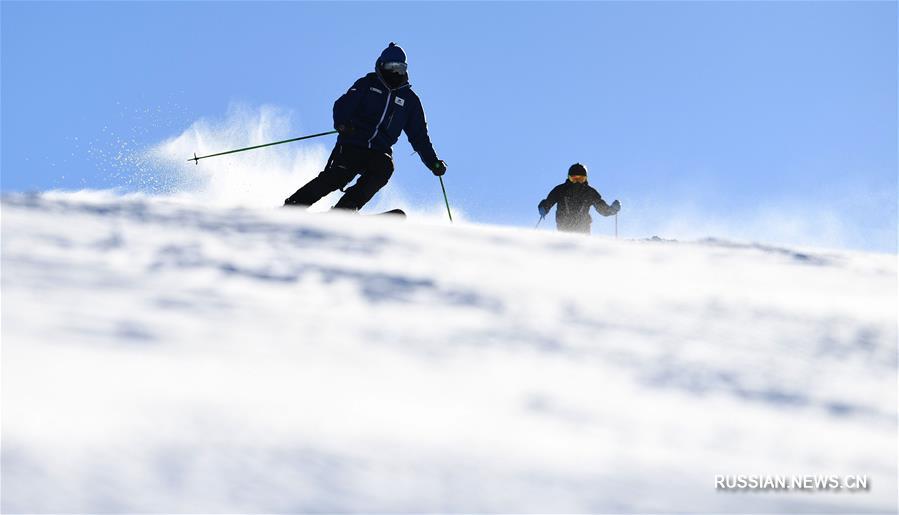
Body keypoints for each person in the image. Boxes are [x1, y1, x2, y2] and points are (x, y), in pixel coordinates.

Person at [285, 43, 446, 211]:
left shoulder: (410, 100)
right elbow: (343, 105)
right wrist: (342, 123)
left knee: (384, 168)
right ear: (382, 65)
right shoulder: (368, 84)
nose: (396, 72)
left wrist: (433, 162)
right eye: (392, 67)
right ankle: (295, 204)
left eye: (401, 67)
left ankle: (346, 208)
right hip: (353, 142)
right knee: (338, 175)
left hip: (379, 150)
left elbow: (419, 136)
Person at [537, 163, 620, 234]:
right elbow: (549, 201)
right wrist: (544, 207)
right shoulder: (561, 190)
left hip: (583, 228)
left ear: (585, 179)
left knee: (581, 247)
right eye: (573, 179)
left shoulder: (589, 192)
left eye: (580, 179)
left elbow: (602, 209)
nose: (577, 182)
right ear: (569, 178)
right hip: (564, 226)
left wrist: (612, 209)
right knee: (565, 247)